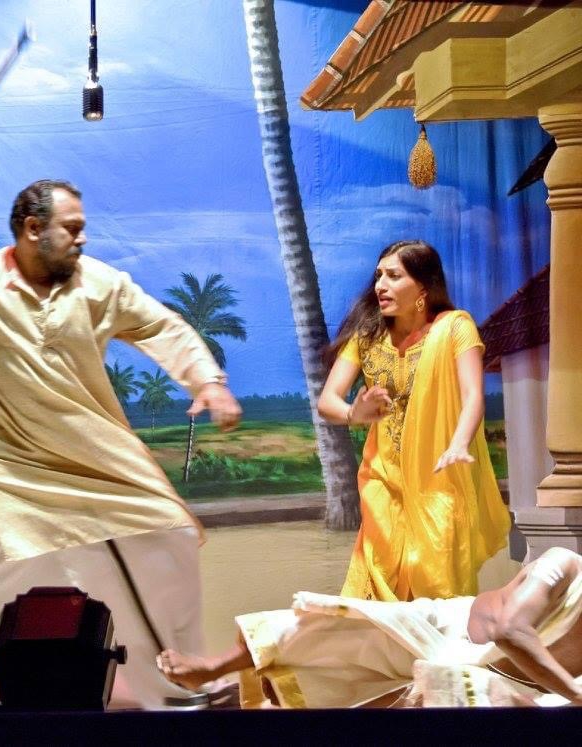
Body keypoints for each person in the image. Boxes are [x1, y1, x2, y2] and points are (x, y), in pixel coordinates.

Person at [0, 179, 243, 711]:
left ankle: (175, 685)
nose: (82, 239)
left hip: (94, 457)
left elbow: (161, 326)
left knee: (167, 538)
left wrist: (208, 382)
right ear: (33, 229)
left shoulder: (100, 284)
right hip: (4, 459)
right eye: (72, 228)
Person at [316, 240, 510, 601]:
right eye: (378, 276)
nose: (380, 285)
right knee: (377, 574)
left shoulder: (456, 328)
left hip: (441, 475)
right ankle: (376, 637)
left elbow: (473, 396)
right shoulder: (366, 337)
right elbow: (328, 401)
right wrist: (353, 413)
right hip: (382, 476)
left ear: (423, 287)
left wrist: (458, 444)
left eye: (393, 276)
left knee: (437, 581)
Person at [157, 546, 582, 709]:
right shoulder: (562, 564)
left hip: (505, 685)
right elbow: (510, 631)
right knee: (323, 635)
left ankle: (236, 699)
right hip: (448, 630)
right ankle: (215, 668)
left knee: (360, 698)